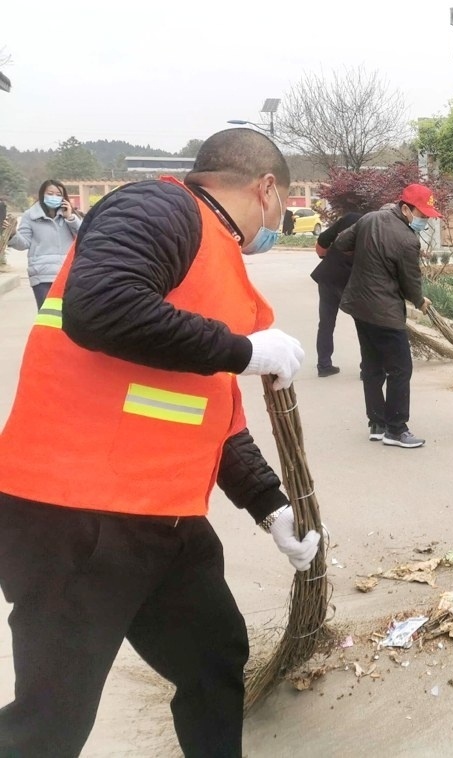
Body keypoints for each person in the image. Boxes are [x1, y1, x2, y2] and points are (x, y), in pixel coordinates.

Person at [0, 129, 320, 757]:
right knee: (52, 719)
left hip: (163, 518)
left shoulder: (216, 262)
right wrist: (243, 349)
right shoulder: (160, 207)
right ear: (267, 189)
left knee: (213, 658)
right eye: (281, 209)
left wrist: (270, 504)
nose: (278, 224)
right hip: (76, 513)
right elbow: (101, 306)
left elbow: (206, 411)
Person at [333, 183, 438, 448]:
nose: (424, 220)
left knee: (371, 365)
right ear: (405, 208)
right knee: (401, 369)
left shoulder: (369, 219)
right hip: (385, 311)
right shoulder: (407, 240)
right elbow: (410, 281)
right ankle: (396, 429)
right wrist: (418, 300)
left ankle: (377, 423)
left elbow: (341, 242)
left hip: (360, 306)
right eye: (422, 215)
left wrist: (366, 255)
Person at [7, 178, 82, 307]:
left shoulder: (69, 216)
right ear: (42, 194)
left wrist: (70, 217)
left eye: (59, 195)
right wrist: (13, 233)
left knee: (69, 318)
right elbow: (23, 243)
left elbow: (83, 236)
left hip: (67, 275)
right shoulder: (30, 216)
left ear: (64, 198)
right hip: (42, 276)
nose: (54, 197)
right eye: (50, 193)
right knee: (47, 317)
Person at [311, 210, 362, 377]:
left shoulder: (350, 217)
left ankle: (324, 365)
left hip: (329, 276)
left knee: (326, 323)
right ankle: (367, 368)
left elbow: (322, 242)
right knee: (364, 325)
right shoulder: (373, 226)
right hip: (350, 281)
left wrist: (333, 255)